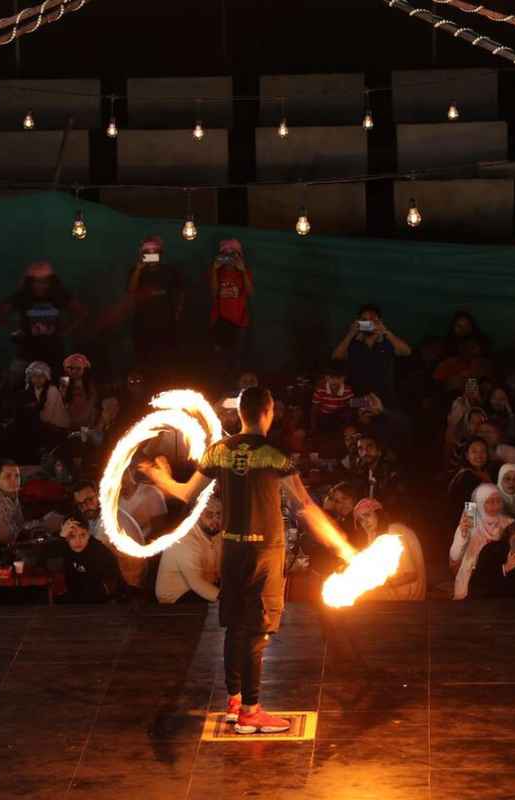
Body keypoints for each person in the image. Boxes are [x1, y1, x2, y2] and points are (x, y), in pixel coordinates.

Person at [139, 386, 355, 735]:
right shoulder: (274, 455)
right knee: (257, 631)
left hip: (233, 550)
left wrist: (157, 474)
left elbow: (184, 494)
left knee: (235, 625)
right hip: (265, 552)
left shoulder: (218, 452)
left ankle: (235, 700)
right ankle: (251, 712)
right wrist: (342, 545)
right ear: (268, 413)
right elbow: (304, 506)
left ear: (240, 414)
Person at [0, 261, 83, 389]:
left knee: (62, 389)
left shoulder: (58, 295)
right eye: (36, 281)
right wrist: (15, 330)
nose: (40, 285)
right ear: (30, 282)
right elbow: (0, 312)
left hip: (54, 353)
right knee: (15, 386)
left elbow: (81, 312)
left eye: (44, 281)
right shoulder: (23, 296)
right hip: (27, 354)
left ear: (51, 282)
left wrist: (67, 330)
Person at [331, 304, 412, 400]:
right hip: (357, 397)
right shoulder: (354, 343)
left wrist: (385, 331)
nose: (368, 323)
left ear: (380, 321)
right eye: (364, 320)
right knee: (360, 412)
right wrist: (351, 333)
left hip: (383, 398)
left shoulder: (387, 342)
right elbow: (336, 357)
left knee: (382, 411)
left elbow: (407, 352)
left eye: (372, 320)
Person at [449, 483, 513, 600]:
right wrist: (462, 535)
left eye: (498, 501)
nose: (495, 506)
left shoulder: (508, 523)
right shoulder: (470, 520)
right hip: (470, 577)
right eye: (489, 502)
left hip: (496, 576)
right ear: (479, 503)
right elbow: (455, 555)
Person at [353, 498, 426, 601]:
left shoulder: (394, 532)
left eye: (367, 515)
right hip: (393, 599)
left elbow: (411, 575)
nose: (365, 522)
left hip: (408, 601)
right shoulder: (374, 536)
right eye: (360, 520)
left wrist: (380, 584)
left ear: (378, 514)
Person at [128, 235, 185, 367]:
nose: (151, 255)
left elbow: (180, 291)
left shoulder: (169, 270)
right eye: (147, 253)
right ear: (142, 254)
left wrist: (178, 311)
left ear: (160, 254)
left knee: (166, 358)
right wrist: (138, 269)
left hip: (166, 321)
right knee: (143, 359)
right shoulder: (136, 270)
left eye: (155, 252)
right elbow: (131, 290)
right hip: (142, 322)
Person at [156, 495, 223, 604]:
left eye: (219, 514)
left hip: (200, 588)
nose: (215, 520)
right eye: (209, 515)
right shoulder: (184, 540)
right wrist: (228, 601)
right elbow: (197, 583)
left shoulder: (217, 535)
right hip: (177, 597)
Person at [209, 238, 254, 368]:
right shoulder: (217, 272)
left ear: (239, 256)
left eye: (233, 255)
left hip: (239, 322)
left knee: (237, 359)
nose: (229, 259)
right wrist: (213, 269)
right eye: (225, 255)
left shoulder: (244, 271)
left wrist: (243, 270)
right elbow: (213, 293)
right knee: (219, 360)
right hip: (220, 320)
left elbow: (250, 292)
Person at [58, 516, 123, 604]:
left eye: (83, 535)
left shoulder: (98, 550)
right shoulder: (65, 547)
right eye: (72, 536)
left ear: (88, 535)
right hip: (78, 601)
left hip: (104, 603)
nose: (78, 541)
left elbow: (100, 587)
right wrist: (61, 538)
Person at [311, 362, 355, 434]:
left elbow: (351, 403)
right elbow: (314, 409)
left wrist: (366, 402)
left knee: (350, 412)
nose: (334, 381)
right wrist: (313, 427)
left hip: (339, 415)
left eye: (338, 378)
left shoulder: (347, 390)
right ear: (326, 377)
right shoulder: (320, 389)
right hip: (324, 415)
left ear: (344, 378)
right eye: (331, 377)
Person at [60, 353, 98, 430]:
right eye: (71, 368)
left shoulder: (88, 383)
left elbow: (92, 401)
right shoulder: (65, 381)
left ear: (84, 369)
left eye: (78, 368)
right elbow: (61, 399)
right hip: (70, 418)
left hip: (86, 419)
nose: (74, 371)